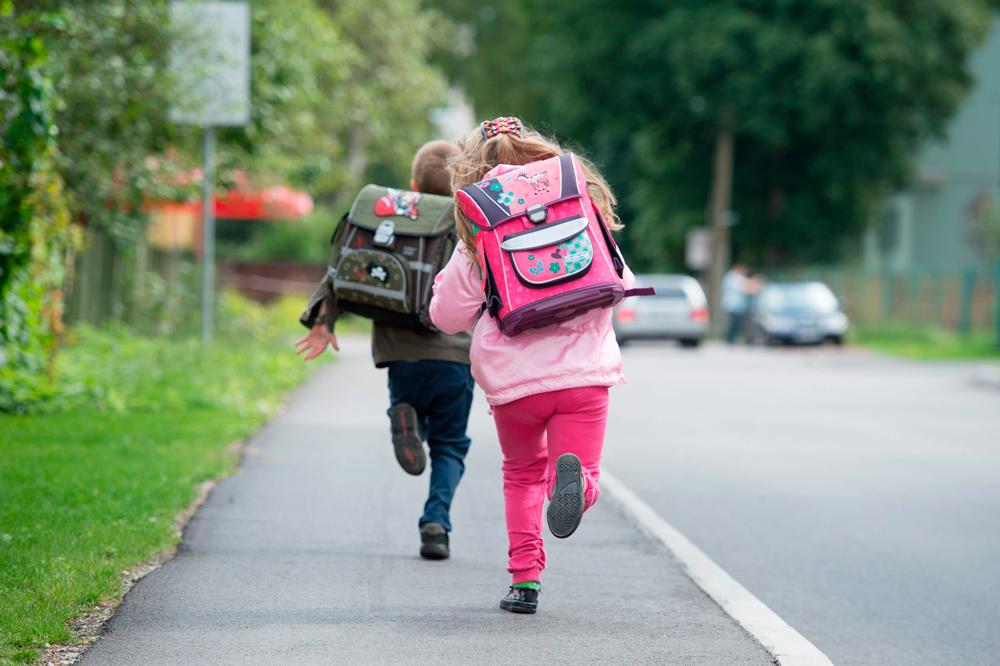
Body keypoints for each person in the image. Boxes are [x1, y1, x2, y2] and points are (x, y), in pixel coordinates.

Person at [428, 120, 635, 614]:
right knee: (580, 469)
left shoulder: (480, 228)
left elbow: (447, 316)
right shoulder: (581, 209)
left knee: (521, 474)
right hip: (584, 376)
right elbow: (621, 281)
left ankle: (525, 582)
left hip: (515, 383)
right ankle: (577, 485)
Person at [295, 140, 474, 561]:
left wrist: (324, 320)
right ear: (461, 182)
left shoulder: (392, 216)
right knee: (450, 445)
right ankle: (436, 523)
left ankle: (406, 417)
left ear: (413, 184)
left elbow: (346, 263)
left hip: (398, 353)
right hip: (453, 356)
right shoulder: (468, 224)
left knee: (414, 407)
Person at [721, 263, 760, 344]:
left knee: (735, 324)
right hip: (733, 305)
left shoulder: (732, 277)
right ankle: (730, 340)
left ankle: (732, 339)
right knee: (733, 324)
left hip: (736, 306)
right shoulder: (733, 277)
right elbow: (744, 287)